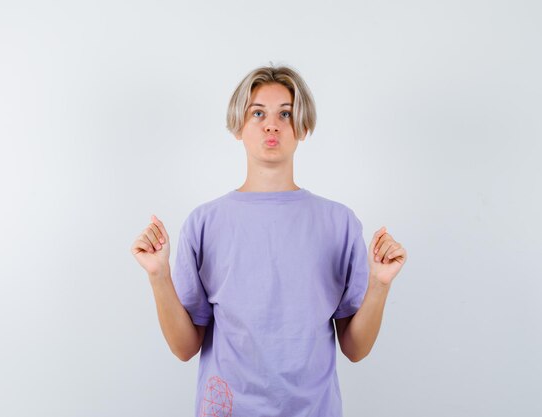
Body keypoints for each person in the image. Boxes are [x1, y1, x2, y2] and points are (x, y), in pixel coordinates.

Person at [131, 64, 408, 417]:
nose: (271, 124)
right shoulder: (204, 223)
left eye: (286, 114)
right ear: (238, 127)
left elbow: (355, 348)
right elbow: (185, 347)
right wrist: (158, 276)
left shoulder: (339, 223)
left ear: (303, 127)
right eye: (257, 113)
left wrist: (380, 285)